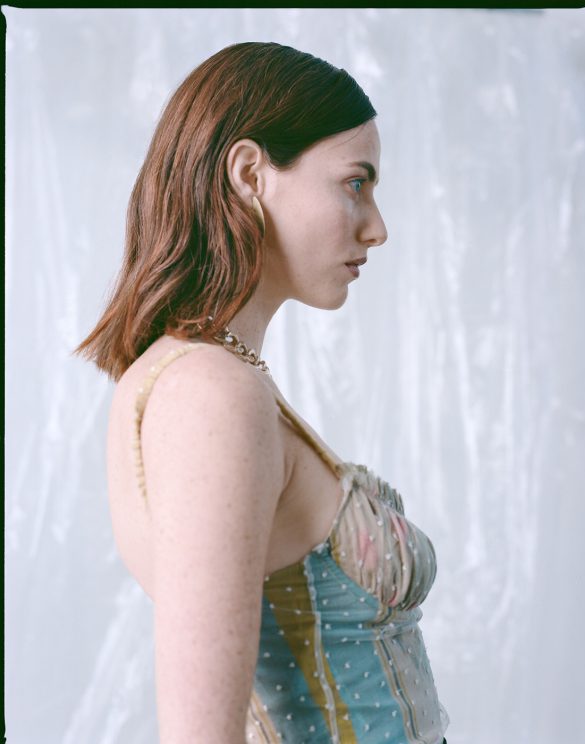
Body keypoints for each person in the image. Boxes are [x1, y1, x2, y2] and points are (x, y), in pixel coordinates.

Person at [75, 41, 449, 744]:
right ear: (250, 174)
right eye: (355, 183)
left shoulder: (206, 375)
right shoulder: (209, 393)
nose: (378, 227)